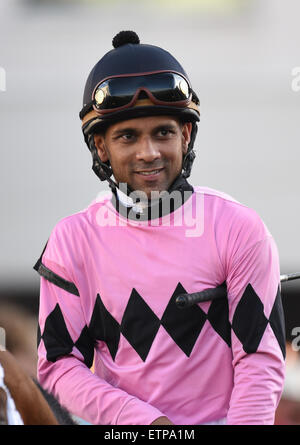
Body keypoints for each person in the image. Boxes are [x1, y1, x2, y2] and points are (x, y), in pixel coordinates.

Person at [35, 30, 286, 425]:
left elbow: (259, 359)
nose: (148, 153)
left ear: (185, 136)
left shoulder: (238, 228)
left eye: (163, 133)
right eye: (128, 136)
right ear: (101, 147)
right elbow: (58, 365)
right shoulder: (71, 242)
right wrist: (148, 425)